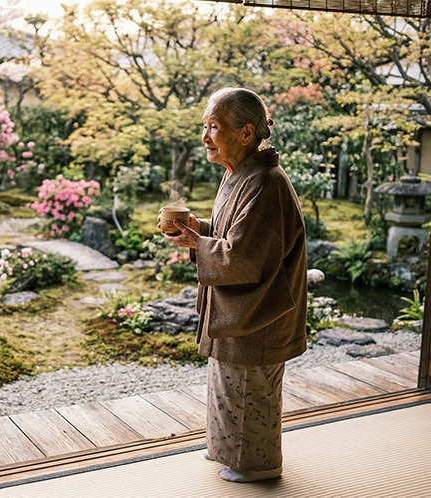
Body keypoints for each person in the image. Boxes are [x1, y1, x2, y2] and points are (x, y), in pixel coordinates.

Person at [160, 87, 307, 483]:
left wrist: (196, 243)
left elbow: (244, 258)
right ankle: (228, 451)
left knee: (248, 391)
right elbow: (234, 234)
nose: (205, 137)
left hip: (258, 315)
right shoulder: (242, 175)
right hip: (243, 311)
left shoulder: (265, 182)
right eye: (205, 126)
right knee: (229, 388)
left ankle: (258, 465)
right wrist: (201, 229)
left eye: (214, 127)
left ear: (246, 133)